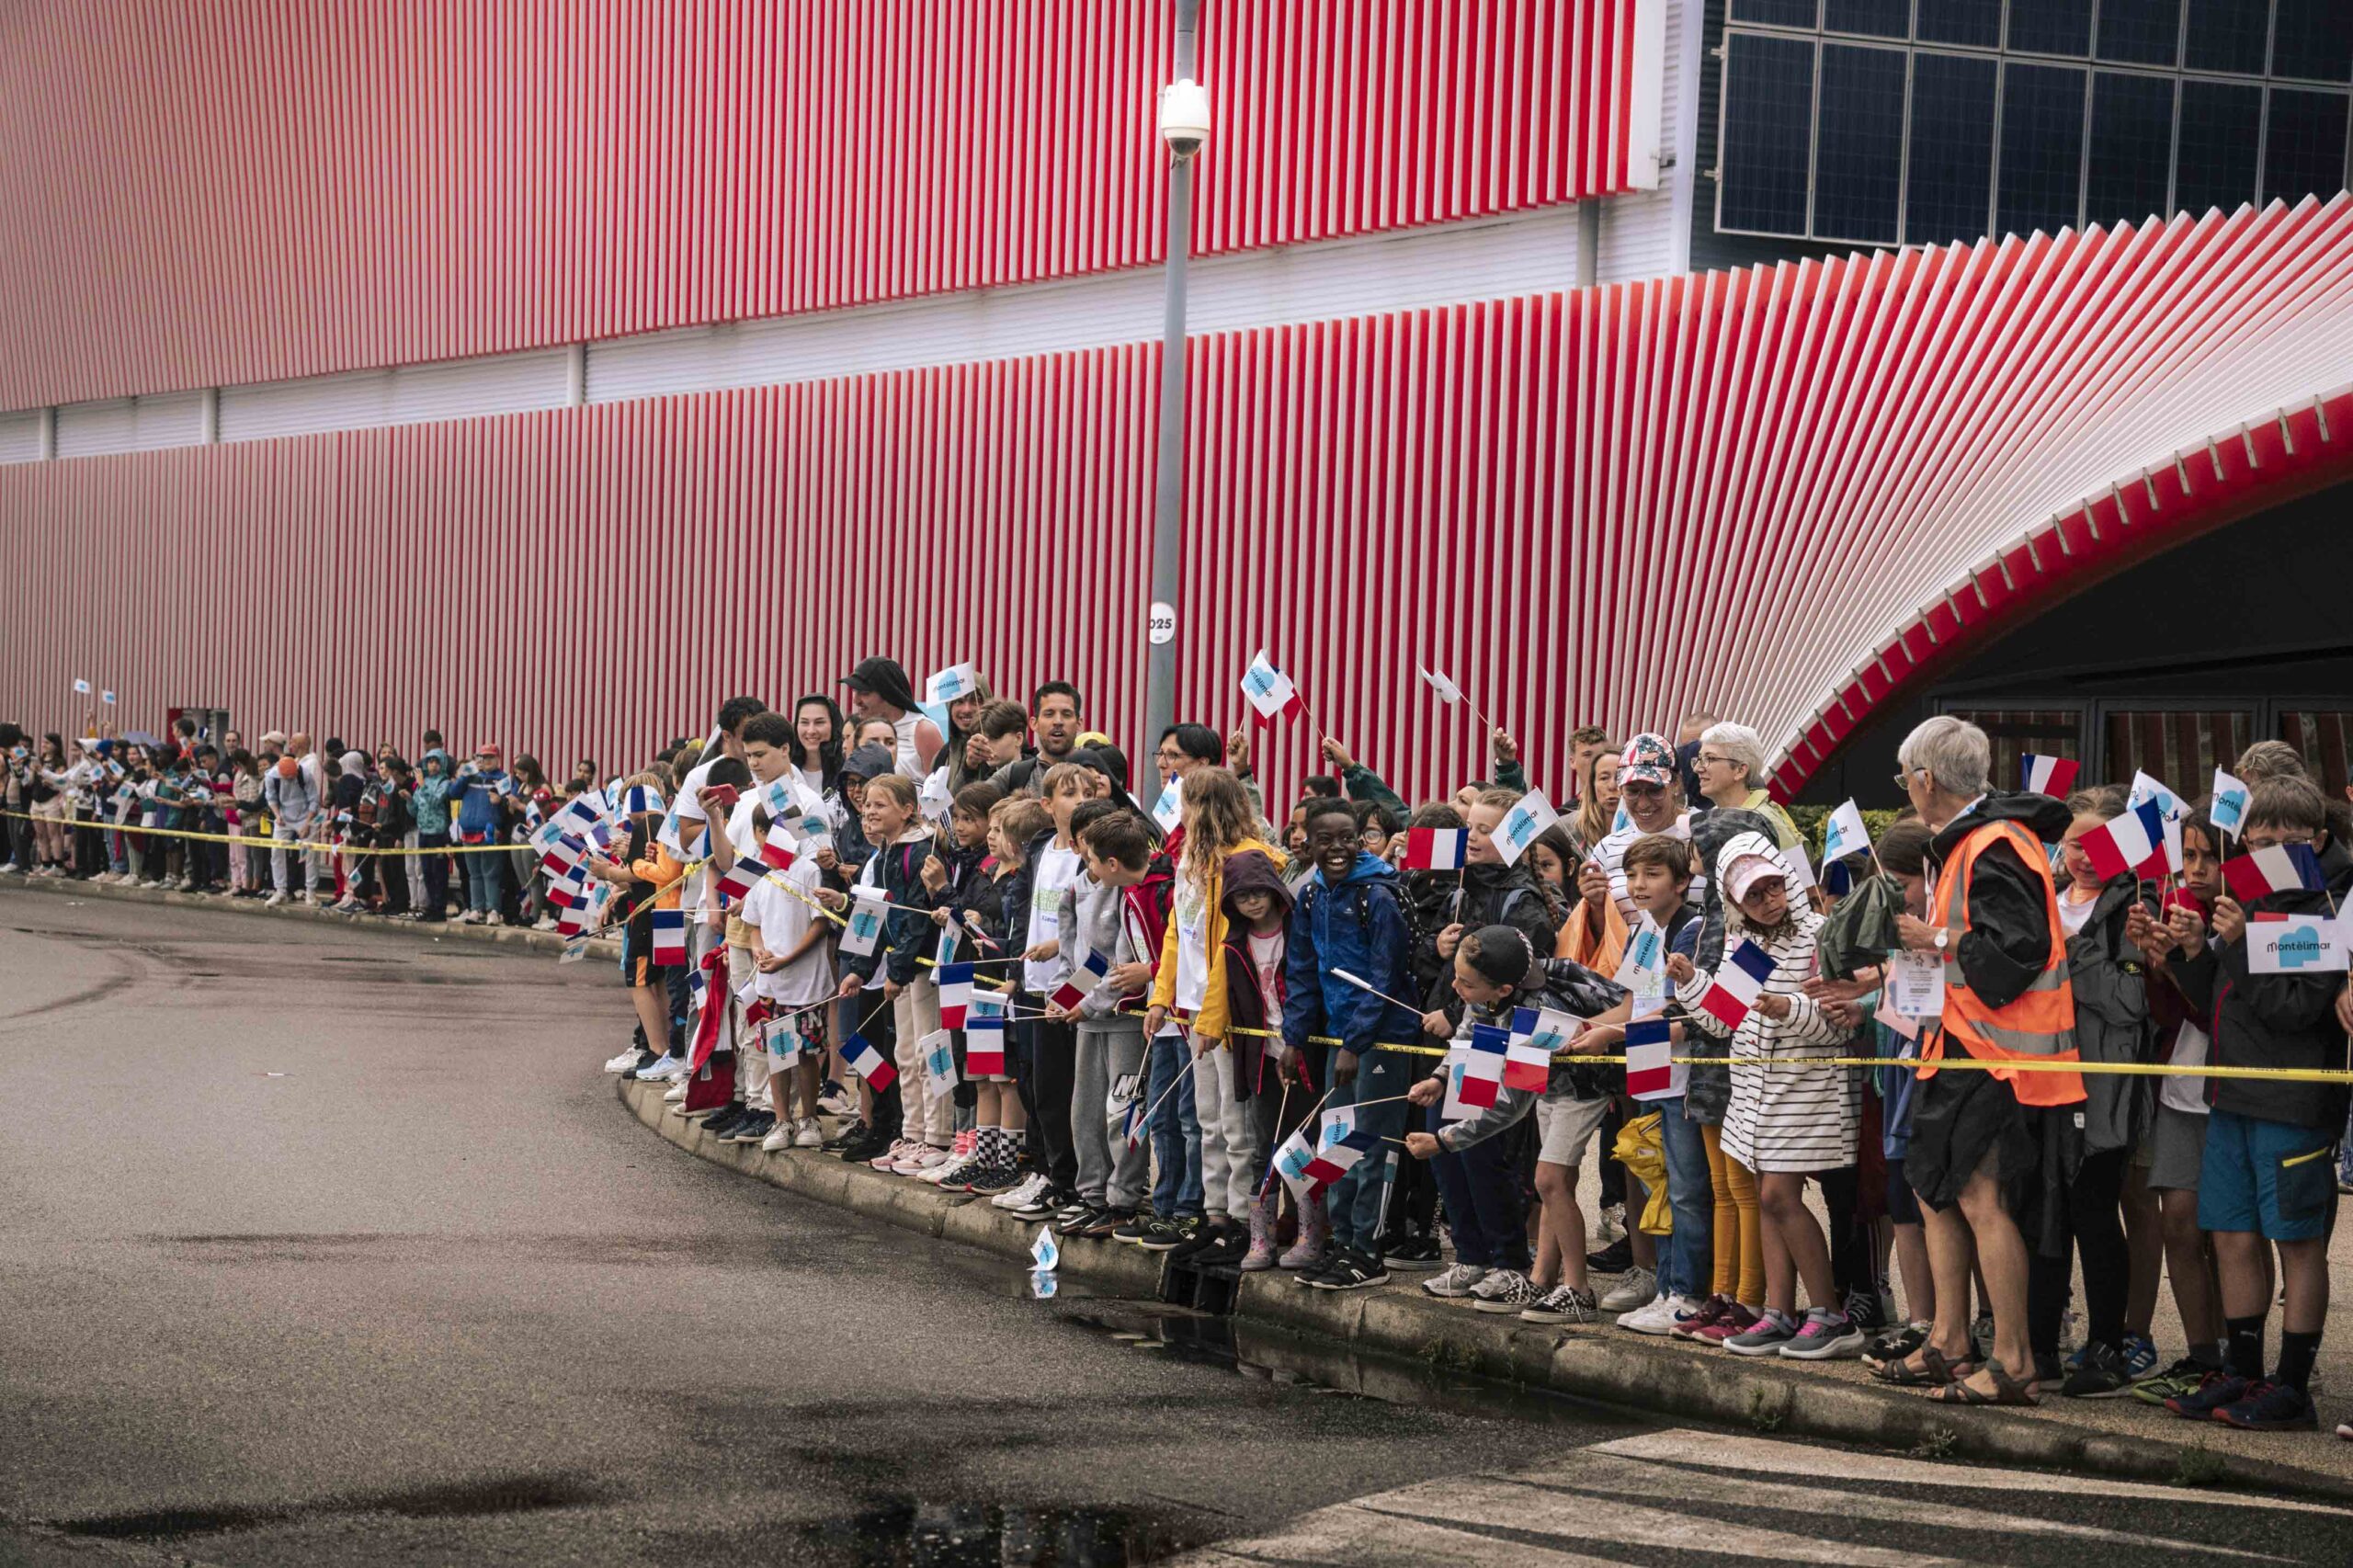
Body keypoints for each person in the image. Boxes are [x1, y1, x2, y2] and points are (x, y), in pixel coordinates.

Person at [1884, 715, 2083, 1408]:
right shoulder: (1974, 840)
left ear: (1925, 779)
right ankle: (1949, 1340)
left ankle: (2015, 1358)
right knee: (1935, 1185)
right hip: (1961, 1046)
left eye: (1905, 776)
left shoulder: (1996, 842)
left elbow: (2017, 952)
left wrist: (1931, 936)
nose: (1906, 787)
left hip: (1997, 1055)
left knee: (1980, 1199)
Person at [2161, 776, 2344, 1431]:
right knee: (2231, 1234)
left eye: (2282, 843)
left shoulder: (2324, 915)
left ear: (2316, 843)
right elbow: (2220, 1003)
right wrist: (2188, 952)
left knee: (2294, 1242)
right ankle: (2242, 1371)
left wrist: (2237, 943)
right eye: (2256, 843)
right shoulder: (2241, 902)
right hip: (2230, 1094)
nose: (2265, 854)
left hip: (2291, 1102)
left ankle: (2292, 1387)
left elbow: (2295, 1011)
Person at [1677, 833, 1858, 1359]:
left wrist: (1790, 1010)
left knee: (1778, 1197)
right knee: (1767, 1198)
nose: (1768, 900)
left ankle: (1829, 1313)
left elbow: (1841, 1027)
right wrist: (1692, 984)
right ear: (1734, 902)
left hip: (1807, 1090)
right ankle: (1779, 1311)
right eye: (1753, 895)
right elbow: (1722, 1019)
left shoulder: (1821, 936)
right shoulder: (1746, 946)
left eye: (1773, 886)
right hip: (1754, 1091)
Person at [1403, 925, 1621, 1319]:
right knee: (1557, 1184)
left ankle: (1579, 1289)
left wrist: (1445, 1140)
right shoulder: (1485, 995)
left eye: (1466, 983)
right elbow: (1468, 1039)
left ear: (1504, 990)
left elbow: (1509, 1106)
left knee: (1549, 1181)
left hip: (1582, 1087)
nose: (1455, 987)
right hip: (1549, 1089)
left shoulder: (1532, 1015)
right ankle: (1542, 1279)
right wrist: (1438, 1078)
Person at [2039, 788, 2155, 1397]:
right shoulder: (2044, 897)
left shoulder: (2134, 905)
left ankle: (2108, 1344)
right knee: (2045, 1212)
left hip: (2104, 1087)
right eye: (2074, 842)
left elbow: (2130, 1002)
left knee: (2094, 1214)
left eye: (2098, 844)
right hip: (2040, 1079)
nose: (2082, 855)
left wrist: (2071, 948)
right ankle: (2042, 1343)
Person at [1280, 797, 1421, 1290]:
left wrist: (1356, 1044)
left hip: (1381, 1041)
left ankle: (1369, 1250)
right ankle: (1340, 1243)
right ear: (1308, 843)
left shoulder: (1378, 896)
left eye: (1348, 838)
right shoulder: (1312, 896)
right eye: (1326, 839)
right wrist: (1294, 1038)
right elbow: (1300, 971)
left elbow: (1384, 977)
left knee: (1371, 1143)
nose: (1337, 848)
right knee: (1336, 1139)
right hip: (1340, 1038)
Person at [1143, 769, 1284, 1255]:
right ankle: (1215, 1212)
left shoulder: (1246, 860)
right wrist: (1161, 997)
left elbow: (1231, 947)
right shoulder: (1188, 861)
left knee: (1235, 1121)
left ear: (1204, 806)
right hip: (1190, 1010)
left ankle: (1245, 1222)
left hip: (1229, 1015)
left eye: (1185, 803)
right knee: (1207, 1118)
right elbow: (1175, 934)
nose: (1178, 812)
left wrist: (1210, 1017)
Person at [2124, 806, 2230, 1407]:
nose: (2195, 869)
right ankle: (2200, 1355)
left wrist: (2187, 962)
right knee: (2180, 1224)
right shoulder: (2175, 911)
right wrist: (2157, 969)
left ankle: (2240, 1359)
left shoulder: (2244, 922)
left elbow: (2217, 1011)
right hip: (2181, 1091)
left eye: (2208, 856)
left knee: (2231, 1236)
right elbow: (2171, 1017)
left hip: (2232, 1095)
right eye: (2188, 855)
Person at [1054, 809, 1163, 1239]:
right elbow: (1080, 956)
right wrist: (1065, 998)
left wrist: (1091, 1003)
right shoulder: (1079, 888)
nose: (1085, 858)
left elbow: (1119, 963)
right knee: (1086, 1110)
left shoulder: (1127, 891)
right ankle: (1093, 1194)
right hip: (1087, 1019)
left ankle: (1124, 1197)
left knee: (1123, 1110)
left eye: (1091, 850)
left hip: (1124, 1019)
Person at [1690, 722, 1802, 850]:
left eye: (1710, 758)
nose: (1697, 768)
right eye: (1699, 759)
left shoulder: (1769, 823)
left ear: (1740, 770)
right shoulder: (1712, 819)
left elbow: (1794, 870)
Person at [839, 656, 944, 779]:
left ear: (887, 692)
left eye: (864, 693)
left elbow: (939, 792)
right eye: (855, 692)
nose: (856, 700)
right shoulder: (858, 734)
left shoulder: (924, 731)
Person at [987, 683, 1086, 797]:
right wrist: (970, 767)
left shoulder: (1096, 772)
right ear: (1034, 724)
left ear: (1079, 724)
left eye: (1066, 714)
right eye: (1049, 714)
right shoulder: (1012, 775)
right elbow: (969, 805)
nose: (1058, 721)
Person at [263, 740, 323, 906]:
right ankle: (280, 890)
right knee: (276, 852)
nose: (290, 779)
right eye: (287, 777)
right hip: (283, 816)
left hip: (305, 815)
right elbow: (271, 798)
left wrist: (307, 824)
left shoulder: (305, 774)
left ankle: (310, 891)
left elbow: (314, 801)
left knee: (311, 853)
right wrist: (277, 815)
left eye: (292, 776)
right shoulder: (271, 777)